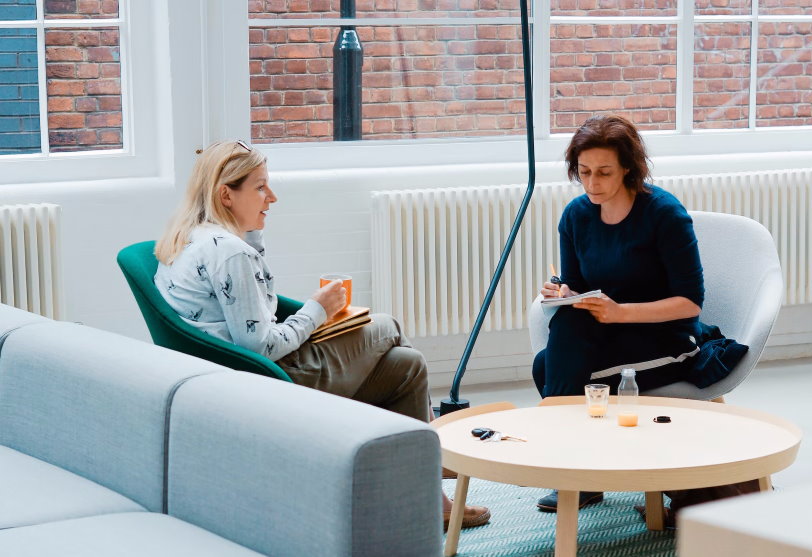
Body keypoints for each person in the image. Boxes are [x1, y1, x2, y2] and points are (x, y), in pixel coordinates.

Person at [154, 139, 489, 530]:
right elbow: (259, 345)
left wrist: (256, 242)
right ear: (226, 194)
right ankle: (435, 458)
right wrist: (317, 309)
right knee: (387, 325)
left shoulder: (195, 238)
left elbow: (251, 316)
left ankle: (427, 495)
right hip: (271, 380)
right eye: (260, 187)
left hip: (235, 376)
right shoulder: (231, 254)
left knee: (407, 365)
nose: (272, 197)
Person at [532, 115, 705, 513]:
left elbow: (691, 302)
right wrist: (562, 292)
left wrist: (620, 312)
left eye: (604, 172)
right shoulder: (576, 215)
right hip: (608, 333)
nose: (592, 183)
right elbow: (575, 285)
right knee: (554, 350)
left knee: (548, 368)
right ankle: (580, 470)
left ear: (628, 167)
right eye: (584, 172)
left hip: (667, 339)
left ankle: (573, 470)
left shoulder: (664, 214)